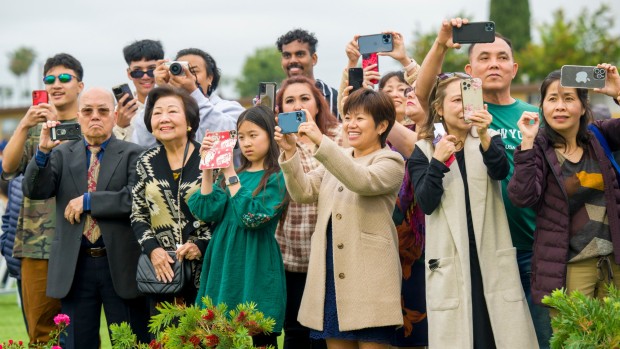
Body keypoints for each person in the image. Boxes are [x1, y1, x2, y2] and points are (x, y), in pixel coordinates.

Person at [409, 18, 537, 348]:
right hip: (455, 256)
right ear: (438, 109)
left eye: (468, 99)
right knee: (466, 333)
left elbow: (498, 170)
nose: (465, 106)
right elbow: (425, 201)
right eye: (456, 100)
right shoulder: (425, 149)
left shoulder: (488, 135)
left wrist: (483, 133)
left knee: (507, 332)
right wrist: (438, 160)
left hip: (506, 248)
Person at [22, 88, 149, 348]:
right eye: (88, 111)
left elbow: (135, 199)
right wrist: (42, 153)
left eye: (103, 111)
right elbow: (35, 190)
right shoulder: (59, 154)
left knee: (130, 342)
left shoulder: (133, 153)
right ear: (78, 116)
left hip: (120, 265)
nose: (95, 117)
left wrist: (89, 201)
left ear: (114, 116)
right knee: (78, 343)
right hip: (75, 265)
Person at [277, 88, 404, 349]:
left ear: (381, 126)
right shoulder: (339, 157)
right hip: (331, 274)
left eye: (360, 118)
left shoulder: (391, 160)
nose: (351, 125)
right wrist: (290, 153)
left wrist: (320, 141)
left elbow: (361, 180)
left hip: (371, 279)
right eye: (347, 117)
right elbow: (303, 192)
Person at [461, 22, 553, 347]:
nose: (494, 64)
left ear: (514, 69)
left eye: (502, 58)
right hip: (485, 250)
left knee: (544, 338)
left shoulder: (538, 115)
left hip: (536, 248)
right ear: (470, 70)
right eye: (484, 58)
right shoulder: (461, 118)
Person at [508, 66, 620, 311]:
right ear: (542, 107)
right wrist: (526, 142)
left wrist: (618, 93)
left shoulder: (598, 135)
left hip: (614, 261)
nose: (560, 106)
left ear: (582, 107)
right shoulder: (537, 147)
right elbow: (522, 196)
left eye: (569, 98)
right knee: (576, 339)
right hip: (570, 266)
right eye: (552, 99)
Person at [188, 106, 288, 348]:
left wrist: (230, 172)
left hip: (256, 261)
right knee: (219, 333)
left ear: (269, 136)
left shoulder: (277, 176)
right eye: (241, 137)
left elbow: (251, 218)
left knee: (257, 331)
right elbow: (205, 211)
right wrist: (208, 169)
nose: (246, 143)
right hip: (224, 260)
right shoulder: (233, 175)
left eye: (253, 135)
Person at [1, 53, 82, 346]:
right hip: (37, 242)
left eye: (64, 78)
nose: (56, 84)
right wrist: (23, 125)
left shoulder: (92, 124)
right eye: (49, 79)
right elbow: (8, 168)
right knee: (42, 333)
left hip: (83, 239)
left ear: (80, 85)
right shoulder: (34, 127)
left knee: (81, 331)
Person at [273, 75, 342, 349]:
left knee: (328, 333)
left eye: (305, 98)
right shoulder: (278, 142)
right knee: (295, 331)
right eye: (289, 100)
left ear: (317, 105)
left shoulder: (338, 136)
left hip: (331, 253)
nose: (297, 105)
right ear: (281, 110)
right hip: (292, 253)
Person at [131, 86, 212, 317]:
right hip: (163, 272)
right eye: (157, 113)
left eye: (172, 111)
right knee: (164, 337)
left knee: (205, 337)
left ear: (189, 121)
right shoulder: (145, 161)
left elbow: (224, 213)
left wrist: (200, 246)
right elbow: (138, 215)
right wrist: (153, 250)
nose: (163, 119)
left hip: (204, 270)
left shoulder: (209, 158)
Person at [132, 48, 243, 147]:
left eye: (194, 71)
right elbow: (143, 142)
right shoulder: (166, 112)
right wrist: (159, 89)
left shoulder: (230, 108)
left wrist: (193, 92)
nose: (188, 76)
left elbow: (225, 138)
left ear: (210, 78)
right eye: (181, 71)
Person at [276, 29, 339, 118]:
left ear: (314, 58)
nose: (293, 60)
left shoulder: (334, 97)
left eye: (300, 54)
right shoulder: (274, 100)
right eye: (287, 56)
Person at [113, 39, 165, 141]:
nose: (145, 77)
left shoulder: (177, 104)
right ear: (129, 74)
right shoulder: (120, 112)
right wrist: (121, 127)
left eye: (151, 70)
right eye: (137, 71)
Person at [0, 175, 28, 332]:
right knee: (34, 332)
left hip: (51, 265)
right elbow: (7, 218)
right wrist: (5, 246)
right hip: (19, 263)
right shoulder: (16, 180)